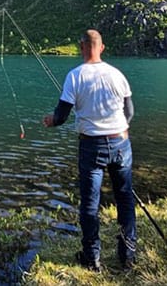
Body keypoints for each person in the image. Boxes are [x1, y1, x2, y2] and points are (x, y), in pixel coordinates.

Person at [42, 29, 136, 271]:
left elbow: (61, 116)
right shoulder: (118, 75)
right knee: (125, 198)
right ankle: (128, 255)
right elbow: (130, 113)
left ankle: (92, 257)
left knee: (90, 203)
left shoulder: (75, 76)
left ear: (81, 47)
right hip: (121, 142)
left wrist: (51, 120)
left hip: (92, 146)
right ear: (101, 47)